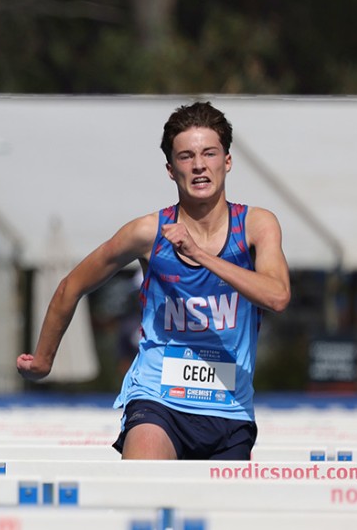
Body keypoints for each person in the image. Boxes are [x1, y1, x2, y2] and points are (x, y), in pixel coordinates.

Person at [16, 102, 290, 460]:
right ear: (170, 169)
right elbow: (72, 285)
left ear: (227, 161)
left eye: (209, 153)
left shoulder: (257, 225)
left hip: (230, 410)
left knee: (217, 515)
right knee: (142, 490)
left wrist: (201, 255)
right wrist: (43, 360)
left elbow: (278, 296)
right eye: (186, 156)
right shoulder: (147, 232)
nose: (199, 165)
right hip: (158, 401)